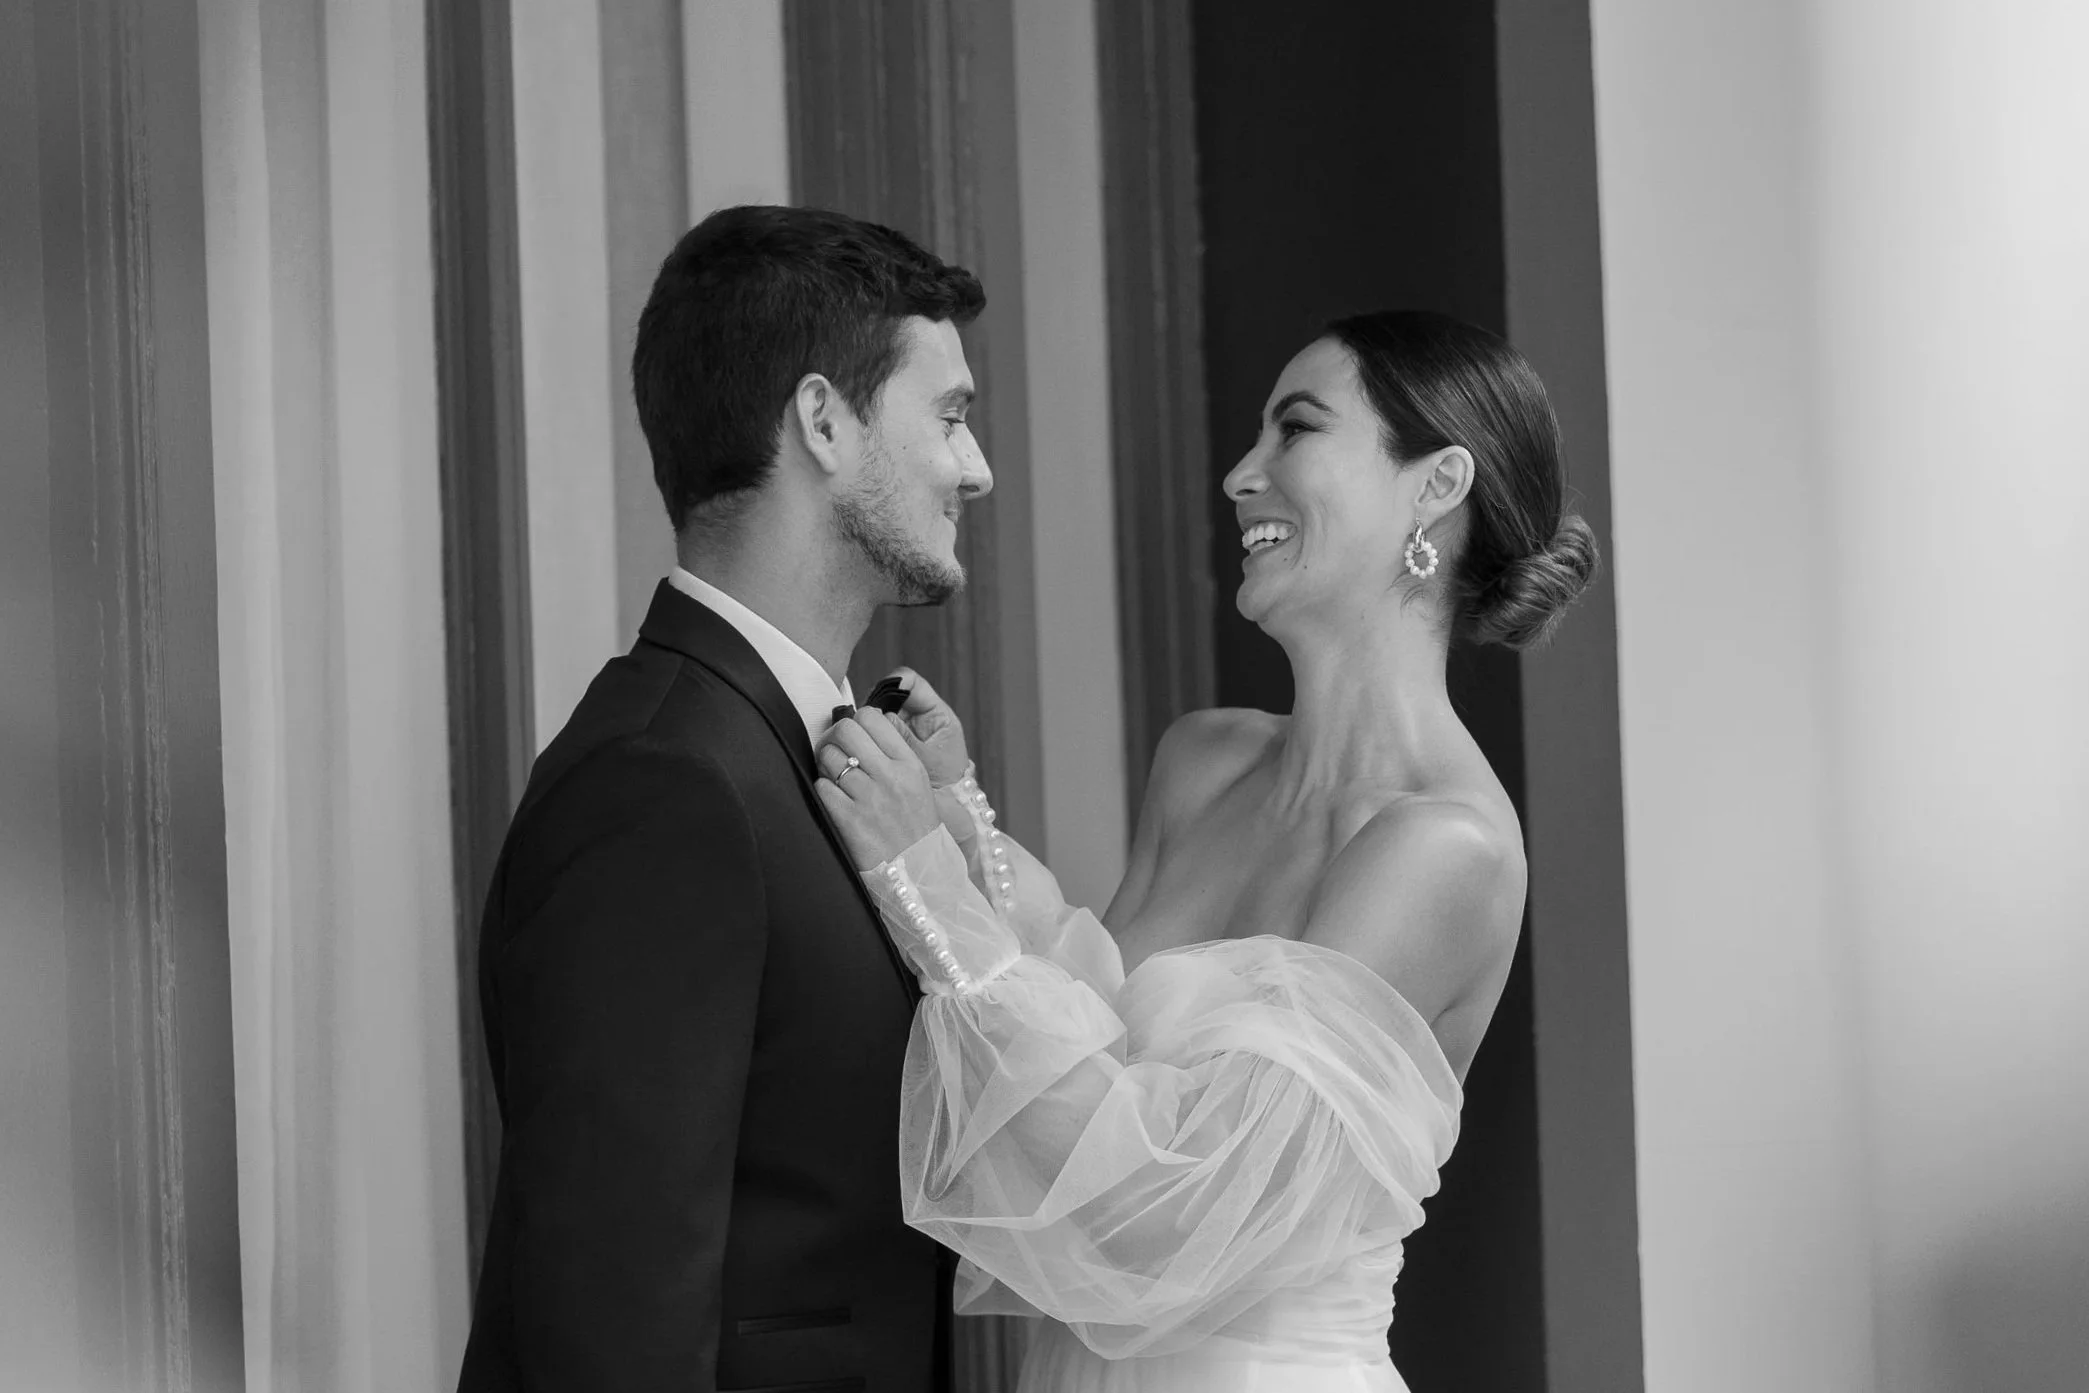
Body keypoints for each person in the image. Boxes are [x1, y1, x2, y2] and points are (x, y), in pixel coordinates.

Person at [814, 310, 1597, 1392]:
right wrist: (959, 822)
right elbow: (1089, 1029)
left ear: (1436, 485)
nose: (1241, 475)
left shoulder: (1443, 849)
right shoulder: (1205, 760)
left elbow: (1162, 1223)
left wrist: (927, 884)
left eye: (1296, 431)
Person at [455, 204, 995, 1393]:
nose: (976, 467)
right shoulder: (663, 785)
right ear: (821, 421)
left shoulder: (803, 755)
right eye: (949, 416)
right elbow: (611, 1326)